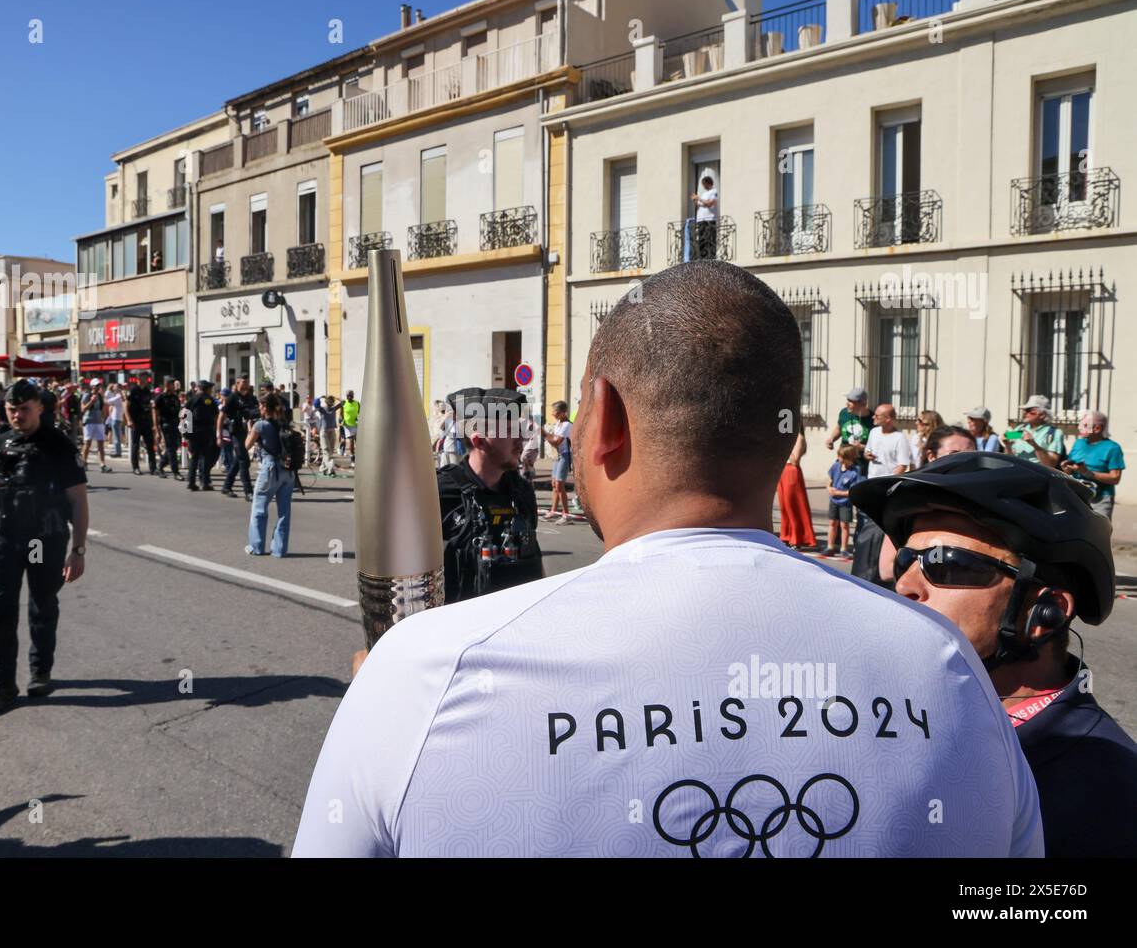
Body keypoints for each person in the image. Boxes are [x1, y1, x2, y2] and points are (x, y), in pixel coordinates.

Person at [293, 260, 1042, 858]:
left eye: (582, 407)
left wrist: (391, 700)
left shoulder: (426, 672)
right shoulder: (951, 670)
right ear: (786, 442)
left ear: (607, 421)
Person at [852, 451, 1136, 857]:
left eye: (946, 564)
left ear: (1044, 613)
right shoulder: (895, 716)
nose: (905, 586)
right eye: (906, 562)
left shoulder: (1107, 793)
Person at [0, 380, 89, 716]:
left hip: (38, 541)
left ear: (39, 408)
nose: (17, 415)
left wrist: (77, 551)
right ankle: (2, 686)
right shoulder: (0, 442)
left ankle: (40, 671)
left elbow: (77, 500)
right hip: (5, 538)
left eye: (24, 409)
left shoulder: (58, 445)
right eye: (11, 409)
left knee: (41, 603)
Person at [436, 387, 544, 603]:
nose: (520, 439)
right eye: (510, 431)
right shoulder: (440, 493)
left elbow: (534, 559)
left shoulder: (522, 491)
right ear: (479, 440)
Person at [246, 393, 295, 556]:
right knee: (284, 512)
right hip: (288, 471)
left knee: (259, 508)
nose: (258, 408)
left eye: (260, 405)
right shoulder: (284, 423)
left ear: (265, 407)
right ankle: (279, 550)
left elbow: (247, 445)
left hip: (270, 469)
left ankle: (256, 546)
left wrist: (249, 429)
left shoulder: (260, 425)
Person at [1061, 410, 1124, 519]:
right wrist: (1066, 468)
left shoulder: (1113, 448)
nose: (1079, 428)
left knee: (1098, 533)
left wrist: (1087, 473)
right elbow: (1070, 469)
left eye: (1085, 425)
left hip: (1099, 500)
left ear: (1097, 428)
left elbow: (1115, 478)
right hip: (1076, 495)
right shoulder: (1078, 443)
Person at [776, 424, 816, 550]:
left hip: (791, 471)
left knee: (793, 505)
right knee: (784, 507)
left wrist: (783, 446)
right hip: (783, 471)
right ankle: (786, 536)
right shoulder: (788, 437)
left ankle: (797, 538)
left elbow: (795, 459)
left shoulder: (799, 438)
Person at [219, 377, 257, 500]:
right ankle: (248, 492)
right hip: (236, 433)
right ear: (237, 384)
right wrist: (218, 435)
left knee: (238, 460)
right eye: (243, 383)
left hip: (247, 433)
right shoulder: (232, 398)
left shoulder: (251, 398)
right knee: (244, 461)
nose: (245, 385)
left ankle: (226, 486)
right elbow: (221, 417)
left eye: (247, 383)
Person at [1007, 395, 1065, 468]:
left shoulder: (1054, 433)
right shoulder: (1019, 429)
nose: (1025, 413)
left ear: (1042, 415)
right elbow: (1009, 458)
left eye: (1029, 411)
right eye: (1025, 410)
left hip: (1037, 476)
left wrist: (1034, 445)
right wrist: (1007, 445)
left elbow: (1051, 465)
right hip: (1017, 473)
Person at [825, 444, 861, 559]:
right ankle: (830, 546)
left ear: (848, 457)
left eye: (840, 456)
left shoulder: (855, 471)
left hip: (845, 503)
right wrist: (829, 488)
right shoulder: (836, 466)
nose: (838, 458)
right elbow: (829, 479)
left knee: (844, 525)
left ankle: (844, 549)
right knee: (832, 523)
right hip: (834, 501)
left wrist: (838, 493)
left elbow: (852, 491)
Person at [542, 400, 574, 523]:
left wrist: (544, 434)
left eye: (554, 411)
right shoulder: (558, 423)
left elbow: (556, 442)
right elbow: (553, 439)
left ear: (562, 413)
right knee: (554, 484)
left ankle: (566, 514)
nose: (552, 414)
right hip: (557, 455)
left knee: (560, 484)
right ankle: (554, 511)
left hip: (565, 456)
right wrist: (548, 435)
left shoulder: (566, 425)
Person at [186, 380, 219, 491]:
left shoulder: (192, 399)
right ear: (206, 389)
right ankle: (204, 482)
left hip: (193, 431)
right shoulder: (209, 400)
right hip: (205, 431)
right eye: (210, 388)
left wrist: (185, 432)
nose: (211, 390)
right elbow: (216, 416)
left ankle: (191, 482)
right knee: (205, 457)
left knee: (194, 457)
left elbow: (183, 414)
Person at [824, 387, 871, 465]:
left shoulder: (873, 419)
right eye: (847, 401)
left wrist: (862, 447)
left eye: (851, 402)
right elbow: (839, 428)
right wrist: (832, 439)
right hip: (843, 460)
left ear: (862, 403)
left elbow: (877, 447)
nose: (847, 404)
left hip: (862, 464)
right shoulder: (844, 413)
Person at [864, 403, 912, 478]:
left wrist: (889, 481)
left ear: (887, 419)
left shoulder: (900, 438)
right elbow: (867, 451)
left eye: (877, 416)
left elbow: (903, 465)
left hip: (887, 482)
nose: (873, 417)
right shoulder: (874, 432)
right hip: (871, 479)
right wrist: (867, 455)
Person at [125, 378, 157, 475]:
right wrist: (129, 420)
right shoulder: (133, 390)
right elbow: (126, 406)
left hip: (146, 421)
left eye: (144, 378)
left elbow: (151, 407)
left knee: (150, 445)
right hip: (136, 421)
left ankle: (153, 468)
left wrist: (154, 424)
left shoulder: (148, 391)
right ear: (138, 380)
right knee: (135, 445)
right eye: (141, 378)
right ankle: (135, 467)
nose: (143, 381)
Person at [153, 379, 184, 479]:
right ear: (167, 385)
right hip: (166, 425)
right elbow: (155, 413)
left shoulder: (175, 397)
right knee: (171, 449)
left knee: (174, 447)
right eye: (172, 384)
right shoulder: (160, 398)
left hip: (175, 424)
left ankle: (160, 466)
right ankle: (176, 472)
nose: (174, 386)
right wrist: (156, 427)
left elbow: (179, 412)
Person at [80, 378, 112, 473]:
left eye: (99, 385)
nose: (98, 387)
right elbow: (83, 409)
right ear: (92, 386)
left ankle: (102, 464)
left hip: (98, 422)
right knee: (87, 443)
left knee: (101, 444)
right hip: (89, 421)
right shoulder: (87, 395)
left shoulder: (100, 396)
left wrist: (103, 418)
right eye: (96, 385)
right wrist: (91, 402)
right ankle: (84, 462)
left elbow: (102, 408)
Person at [688, 171, 719, 260]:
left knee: (709, 239)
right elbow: (699, 206)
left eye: (704, 184)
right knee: (702, 240)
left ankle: (710, 258)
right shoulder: (704, 194)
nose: (703, 186)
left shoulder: (713, 191)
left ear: (708, 183)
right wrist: (695, 200)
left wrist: (699, 198)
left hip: (709, 220)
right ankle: (702, 258)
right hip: (701, 220)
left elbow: (710, 203)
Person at [317, 395, 339, 474]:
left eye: (331, 401)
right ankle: (330, 468)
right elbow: (316, 404)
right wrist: (319, 398)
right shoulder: (322, 409)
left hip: (332, 431)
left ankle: (323, 467)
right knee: (326, 450)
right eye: (329, 401)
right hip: (324, 431)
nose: (330, 403)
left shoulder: (333, 409)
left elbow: (343, 403)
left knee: (330, 451)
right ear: (326, 402)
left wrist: (336, 398)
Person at [104, 382, 126, 458]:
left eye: (115, 387)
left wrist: (105, 397)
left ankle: (118, 452)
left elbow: (108, 401)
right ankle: (117, 450)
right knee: (116, 435)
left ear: (119, 388)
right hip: (116, 417)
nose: (113, 388)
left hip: (116, 418)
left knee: (116, 436)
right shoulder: (118, 395)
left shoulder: (118, 396)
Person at [338, 390, 360, 460]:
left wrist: (358, 418)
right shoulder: (344, 403)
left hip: (355, 424)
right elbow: (341, 413)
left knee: (357, 441)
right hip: (347, 425)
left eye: (351, 395)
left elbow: (360, 412)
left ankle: (359, 455)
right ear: (346, 396)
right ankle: (352, 456)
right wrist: (341, 420)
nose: (349, 397)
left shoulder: (357, 403)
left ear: (353, 396)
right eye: (348, 396)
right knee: (351, 440)